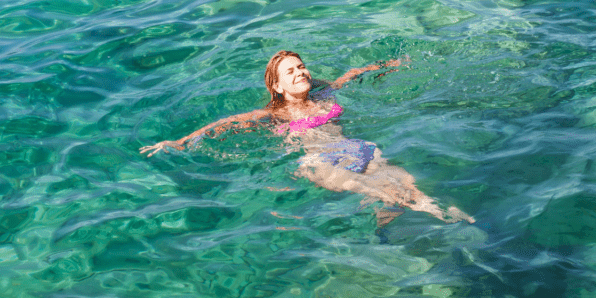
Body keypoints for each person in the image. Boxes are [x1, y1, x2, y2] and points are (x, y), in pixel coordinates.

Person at [140, 50, 474, 226]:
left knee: (404, 180)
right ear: (276, 86)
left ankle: (432, 213)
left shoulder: (325, 93)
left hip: (355, 148)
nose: (301, 72)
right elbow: (224, 124)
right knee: (373, 188)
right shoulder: (274, 114)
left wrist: (389, 65)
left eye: (302, 67)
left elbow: (353, 75)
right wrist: (180, 142)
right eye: (291, 71)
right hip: (319, 162)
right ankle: (435, 217)